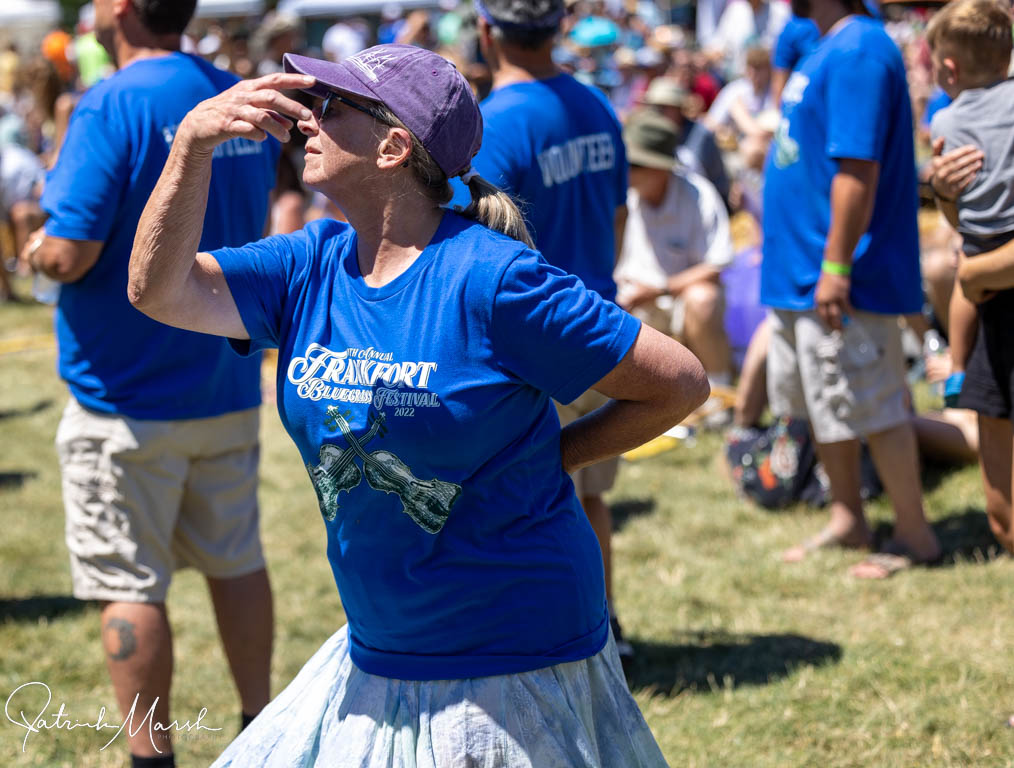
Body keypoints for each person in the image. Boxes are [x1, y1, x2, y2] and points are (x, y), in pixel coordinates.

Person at [127, 43, 708, 765]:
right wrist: (192, 145)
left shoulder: (496, 281)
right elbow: (159, 290)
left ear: (395, 146)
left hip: (510, 653)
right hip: (382, 644)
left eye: (332, 105)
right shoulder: (307, 264)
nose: (309, 119)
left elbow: (679, 382)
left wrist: (556, 456)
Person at [20, 1, 279, 764]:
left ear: (122, 8)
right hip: (223, 379)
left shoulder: (113, 102)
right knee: (237, 560)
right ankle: (261, 728)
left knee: (128, 580)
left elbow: (70, 252)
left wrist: (36, 248)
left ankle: (150, 755)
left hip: (124, 395)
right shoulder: (230, 89)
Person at [467, 0, 636, 661]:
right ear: (559, 26)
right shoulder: (595, 105)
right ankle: (605, 624)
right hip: (599, 325)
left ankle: (562, 637)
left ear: (487, 32)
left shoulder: (495, 124)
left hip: (534, 345)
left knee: (532, 503)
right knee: (589, 494)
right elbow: (618, 218)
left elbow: (480, 249)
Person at [761, 0, 942, 577]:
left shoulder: (860, 48)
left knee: (875, 403)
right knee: (825, 403)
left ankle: (914, 534)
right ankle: (848, 518)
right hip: (800, 274)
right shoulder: (823, 44)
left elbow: (857, 169)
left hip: (843, 274)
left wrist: (836, 267)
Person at [927, 0, 1014, 553]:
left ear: (949, 69)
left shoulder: (947, 119)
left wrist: (976, 270)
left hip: (988, 273)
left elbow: (970, 237)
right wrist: (944, 196)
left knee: (1003, 514)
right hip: (994, 303)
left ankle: (955, 368)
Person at [615, 110, 734, 397]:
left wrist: (660, 289)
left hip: (677, 298)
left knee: (703, 299)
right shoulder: (622, 197)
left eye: (634, 164)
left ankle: (717, 391)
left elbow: (715, 266)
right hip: (632, 299)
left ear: (659, 168)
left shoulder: (698, 196)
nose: (626, 171)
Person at [641, 77, 731, 208]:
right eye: (654, 108)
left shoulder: (701, 136)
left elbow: (719, 183)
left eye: (663, 107)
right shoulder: (646, 137)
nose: (657, 113)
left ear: (678, 109)